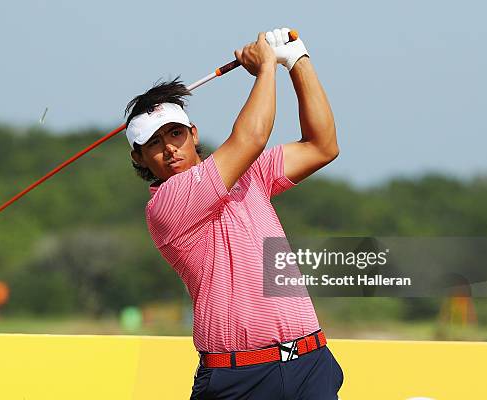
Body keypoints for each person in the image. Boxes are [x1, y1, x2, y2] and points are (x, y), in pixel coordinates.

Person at [124, 28, 343, 400]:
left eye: (175, 134)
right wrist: (266, 69)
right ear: (139, 158)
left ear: (193, 134)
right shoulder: (166, 204)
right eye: (154, 143)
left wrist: (297, 61)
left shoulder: (248, 174)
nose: (169, 149)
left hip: (309, 364)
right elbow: (251, 138)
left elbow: (322, 146)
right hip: (239, 378)